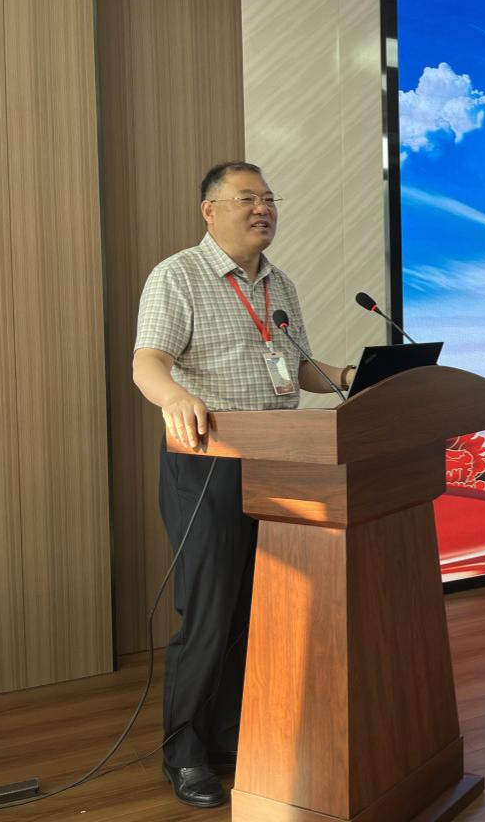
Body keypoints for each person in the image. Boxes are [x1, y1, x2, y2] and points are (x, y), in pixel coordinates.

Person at [132, 161, 352, 808]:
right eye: (248, 198)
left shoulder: (279, 283)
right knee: (209, 611)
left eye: (270, 199)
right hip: (210, 461)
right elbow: (148, 361)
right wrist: (173, 397)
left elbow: (296, 367)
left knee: (257, 611)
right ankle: (184, 752)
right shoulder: (178, 276)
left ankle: (232, 734)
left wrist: (345, 375)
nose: (264, 209)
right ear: (210, 210)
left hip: (279, 459)